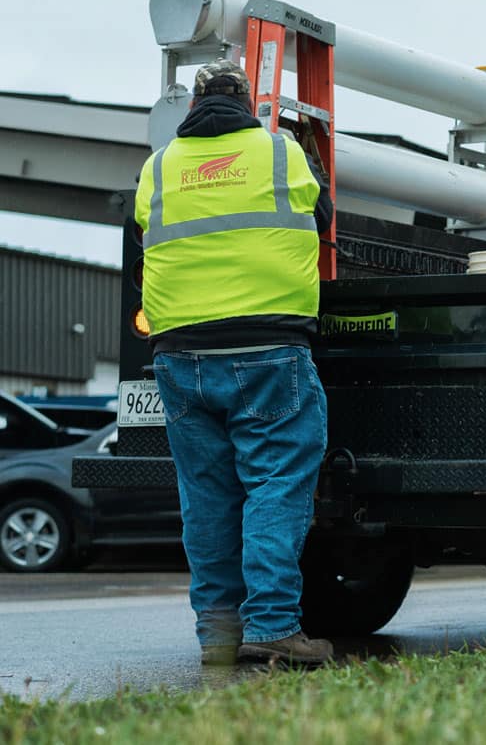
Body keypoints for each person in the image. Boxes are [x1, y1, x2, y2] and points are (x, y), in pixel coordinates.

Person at [135, 59, 334, 666]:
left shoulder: (159, 166)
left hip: (180, 355)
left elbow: (139, 225)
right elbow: (321, 216)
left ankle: (218, 637)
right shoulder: (279, 152)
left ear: (192, 106)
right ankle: (272, 626)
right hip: (268, 347)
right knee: (273, 484)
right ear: (249, 102)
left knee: (207, 497)